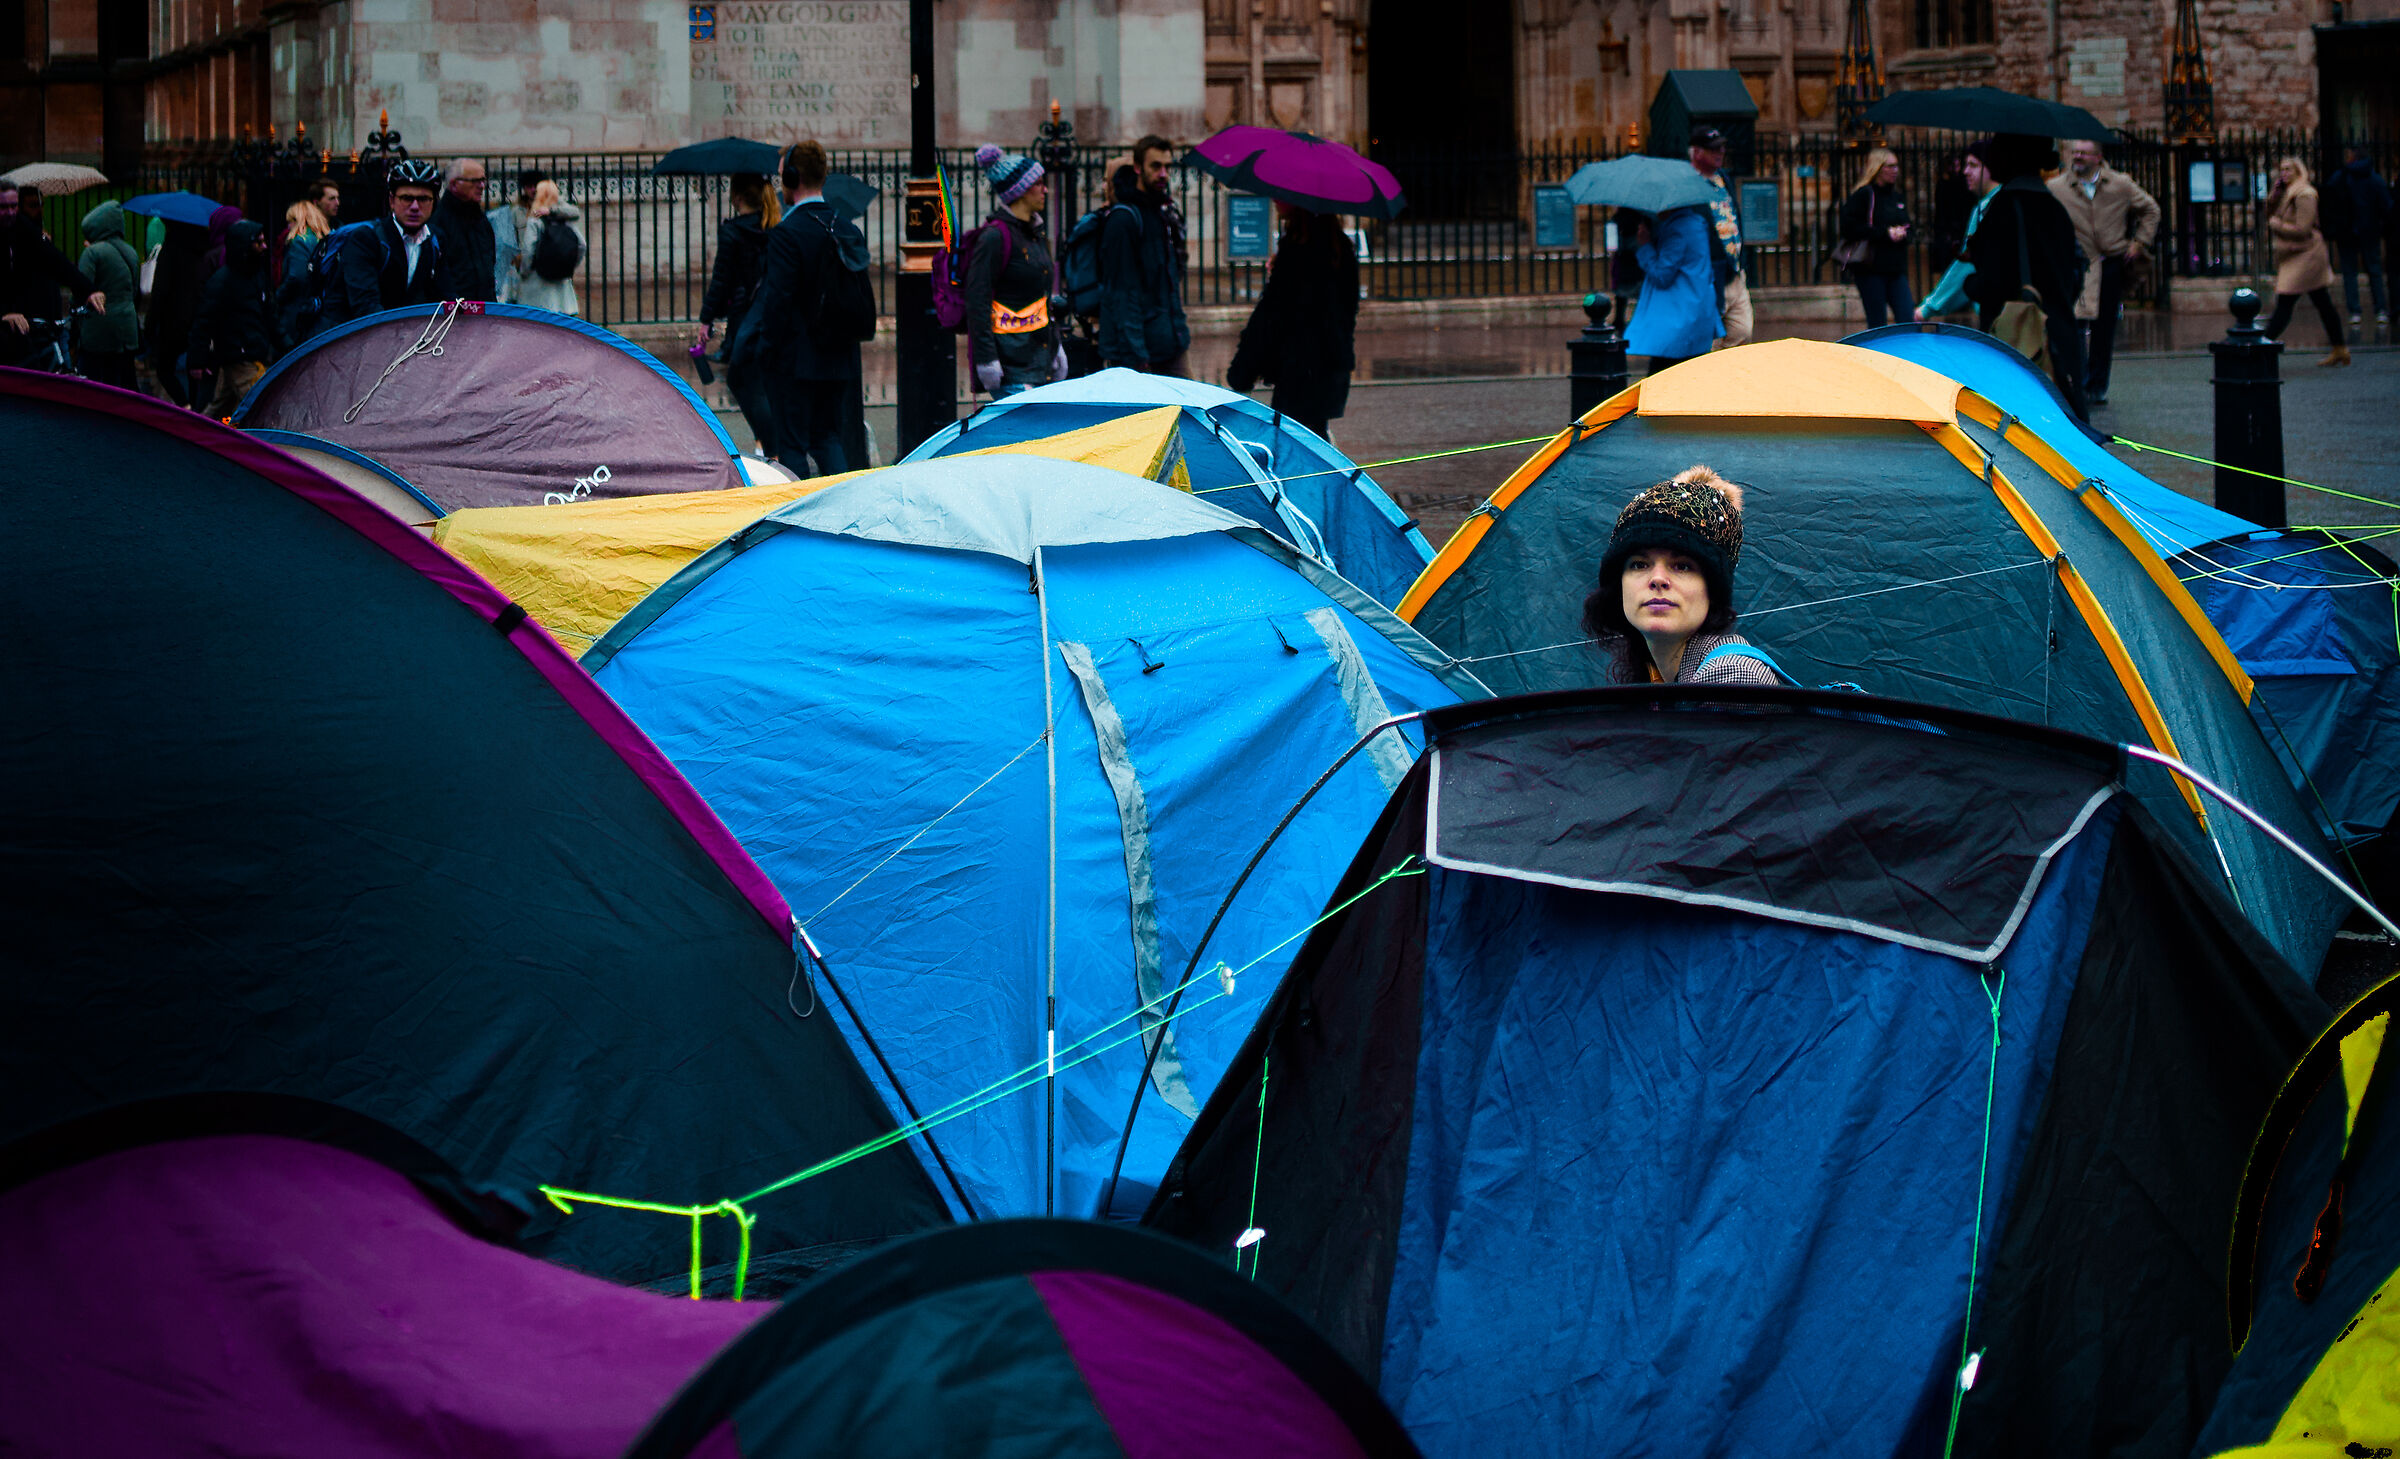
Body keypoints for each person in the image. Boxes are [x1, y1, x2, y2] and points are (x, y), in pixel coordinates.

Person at [1581, 465, 1779, 686]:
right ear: (1618, 587)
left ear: (1712, 590)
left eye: (1682, 566)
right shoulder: (1656, 675)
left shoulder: (1733, 676)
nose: (1657, 579)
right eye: (1639, 564)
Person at [742, 139, 868, 477]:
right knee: (827, 438)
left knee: (793, 446)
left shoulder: (787, 233)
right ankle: (838, 508)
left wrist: (766, 354)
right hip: (838, 358)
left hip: (795, 363)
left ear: (793, 178)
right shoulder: (846, 228)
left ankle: (800, 516)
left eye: (782, 175)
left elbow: (777, 303)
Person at [1964, 133, 2090, 419]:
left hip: (2018, 341)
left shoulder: (2004, 209)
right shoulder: (2055, 209)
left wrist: (1969, 283)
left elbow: (1992, 284)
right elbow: (2072, 277)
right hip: (2059, 340)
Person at [1226, 202, 1359, 439]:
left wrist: (1243, 370)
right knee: (1314, 439)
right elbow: (1347, 311)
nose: (1275, 199)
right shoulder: (1339, 247)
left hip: (1300, 372)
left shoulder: (1297, 250)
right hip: (1329, 369)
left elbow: (1271, 316)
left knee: (1293, 447)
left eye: (1282, 195)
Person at [2047, 139, 2158, 405]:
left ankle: (2096, 385)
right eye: (2075, 153)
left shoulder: (2120, 184)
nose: (2078, 157)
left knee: (2104, 328)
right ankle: (2076, 380)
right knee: (2074, 325)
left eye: (2084, 153)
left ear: (2098, 157)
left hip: (2110, 264)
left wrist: (2139, 242)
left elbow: (2151, 210)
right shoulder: (2056, 187)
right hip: (2076, 265)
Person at [962, 144, 1066, 400]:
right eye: (1039, 183)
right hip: (1011, 368)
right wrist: (987, 361)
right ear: (1019, 190)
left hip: (1039, 361)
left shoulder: (1034, 233)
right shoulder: (995, 237)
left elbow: (1040, 299)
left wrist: (1056, 348)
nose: (1046, 189)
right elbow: (978, 301)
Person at [696, 171, 782, 454]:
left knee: (740, 379)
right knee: (760, 380)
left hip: (744, 316)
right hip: (769, 313)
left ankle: (771, 446)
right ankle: (768, 444)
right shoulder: (773, 227)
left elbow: (721, 281)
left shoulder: (733, 231)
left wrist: (707, 319)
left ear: (738, 196)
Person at [1097, 135, 1191, 375]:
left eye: (1167, 167)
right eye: (1155, 166)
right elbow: (1122, 293)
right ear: (1138, 167)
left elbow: (1168, 282)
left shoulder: (1160, 212)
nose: (1163, 174)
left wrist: (1179, 333)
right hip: (1141, 355)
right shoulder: (1124, 219)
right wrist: (1137, 359)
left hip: (1170, 343)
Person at [325, 157, 445, 328]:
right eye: (406, 198)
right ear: (391, 200)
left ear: (434, 202)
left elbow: (444, 297)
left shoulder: (434, 240)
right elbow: (365, 306)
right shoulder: (366, 239)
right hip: (349, 340)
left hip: (404, 341)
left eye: (424, 199)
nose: (415, 207)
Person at [0, 180, 105, 369]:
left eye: (13, 206)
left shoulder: (22, 226)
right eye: (3, 207)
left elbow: (55, 260)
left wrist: (89, 290)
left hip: (27, 325)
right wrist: (5, 313)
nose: (10, 212)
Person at [2261, 157, 2349, 368]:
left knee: (2286, 299)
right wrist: (2273, 197)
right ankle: (2339, 348)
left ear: (2298, 171)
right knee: (2322, 301)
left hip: (2306, 255)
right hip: (2296, 255)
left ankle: (2262, 347)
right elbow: (2269, 213)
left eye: (2288, 169)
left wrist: (2277, 225)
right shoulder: (2287, 193)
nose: (2284, 173)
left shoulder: (2304, 194)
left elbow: (2303, 229)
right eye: (2281, 169)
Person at [193, 219, 278, 414]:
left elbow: (269, 313)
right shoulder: (222, 282)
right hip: (240, 356)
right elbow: (203, 322)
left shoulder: (256, 275)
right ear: (245, 246)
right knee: (260, 411)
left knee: (223, 406)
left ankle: (204, 436)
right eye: (259, 242)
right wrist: (198, 360)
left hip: (246, 353)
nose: (264, 246)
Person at [1626, 205, 1722, 372]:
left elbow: (1662, 275)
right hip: (1697, 310)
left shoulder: (1677, 230)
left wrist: (1645, 245)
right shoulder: (1696, 223)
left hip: (1677, 317)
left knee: (1661, 375)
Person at [1839, 148, 1917, 328]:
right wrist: (1885, 233)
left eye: (1896, 166)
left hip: (1896, 270)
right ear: (1877, 168)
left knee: (1907, 319)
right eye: (1890, 166)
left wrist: (1903, 233)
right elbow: (1849, 228)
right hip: (1871, 269)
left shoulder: (1897, 196)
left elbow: (1909, 225)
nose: (1895, 170)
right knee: (1877, 323)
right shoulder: (1864, 195)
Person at [1687, 125, 1750, 348]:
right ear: (1696, 153)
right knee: (1710, 339)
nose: (1720, 152)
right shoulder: (1689, 185)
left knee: (1743, 330)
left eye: (1721, 147)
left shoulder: (1723, 177)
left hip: (1734, 271)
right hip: (1709, 275)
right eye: (1713, 148)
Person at [2319, 145, 2391, 328]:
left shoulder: (2341, 177)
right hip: (2370, 230)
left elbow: (2329, 201)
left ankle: (2355, 312)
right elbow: (2386, 206)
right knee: (2374, 271)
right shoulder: (2374, 179)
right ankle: (2380, 310)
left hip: (2346, 231)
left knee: (2349, 273)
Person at [1922, 142, 1996, 318]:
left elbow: (1966, 264)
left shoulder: (1985, 208)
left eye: (1973, 165)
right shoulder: (2012, 199)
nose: (1965, 171)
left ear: (1990, 168)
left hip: (1996, 311)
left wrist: (1929, 307)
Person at [73, 200, 141, 388]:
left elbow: (80, 288)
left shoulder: (93, 252)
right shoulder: (132, 252)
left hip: (98, 330)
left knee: (94, 386)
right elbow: (135, 291)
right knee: (126, 384)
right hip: (127, 330)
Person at [144, 219, 209, 404]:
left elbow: (160, 292)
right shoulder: (203, 248)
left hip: (173, 319)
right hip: (197, 317)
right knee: (193, 368)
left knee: (164, 369)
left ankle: (184, 404)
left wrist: (150, 325)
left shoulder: (170, 250)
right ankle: (195, 407)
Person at [512, 179, 583, 316]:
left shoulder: (535, 220)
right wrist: (568, 265)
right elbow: (582, 245)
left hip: (535, 284)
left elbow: (528, 250)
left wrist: (524, 272)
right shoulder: (566, 221)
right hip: (562, 285)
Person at [432, 157, 497, 303]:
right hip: (454, 312)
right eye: (475, 181)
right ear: (454, 184)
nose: (481, 186)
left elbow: (490, 261)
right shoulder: (438, 222)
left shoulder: (481, 219)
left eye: (483, 180)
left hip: (485, 307)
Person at [276, 195, 332, 344]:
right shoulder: (324, 239)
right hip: (318, 310)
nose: (288, 227)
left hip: (297, 311)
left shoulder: (300, 241)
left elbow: (296, 277)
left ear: (297, 220)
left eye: (289, 222)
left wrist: (277, 297)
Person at [494, 169, 543, 302]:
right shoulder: (516, 211)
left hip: (546, 263)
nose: (533, 190)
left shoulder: (550, 208)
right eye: (529, 186)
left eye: (536, 186)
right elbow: (511, 238)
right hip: (524, 265)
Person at [1930, 149, 1976, 274]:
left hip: (1961, 223)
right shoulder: (1944, 183)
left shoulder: (1961, 182)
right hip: (1949, 226)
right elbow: (1941, 209)